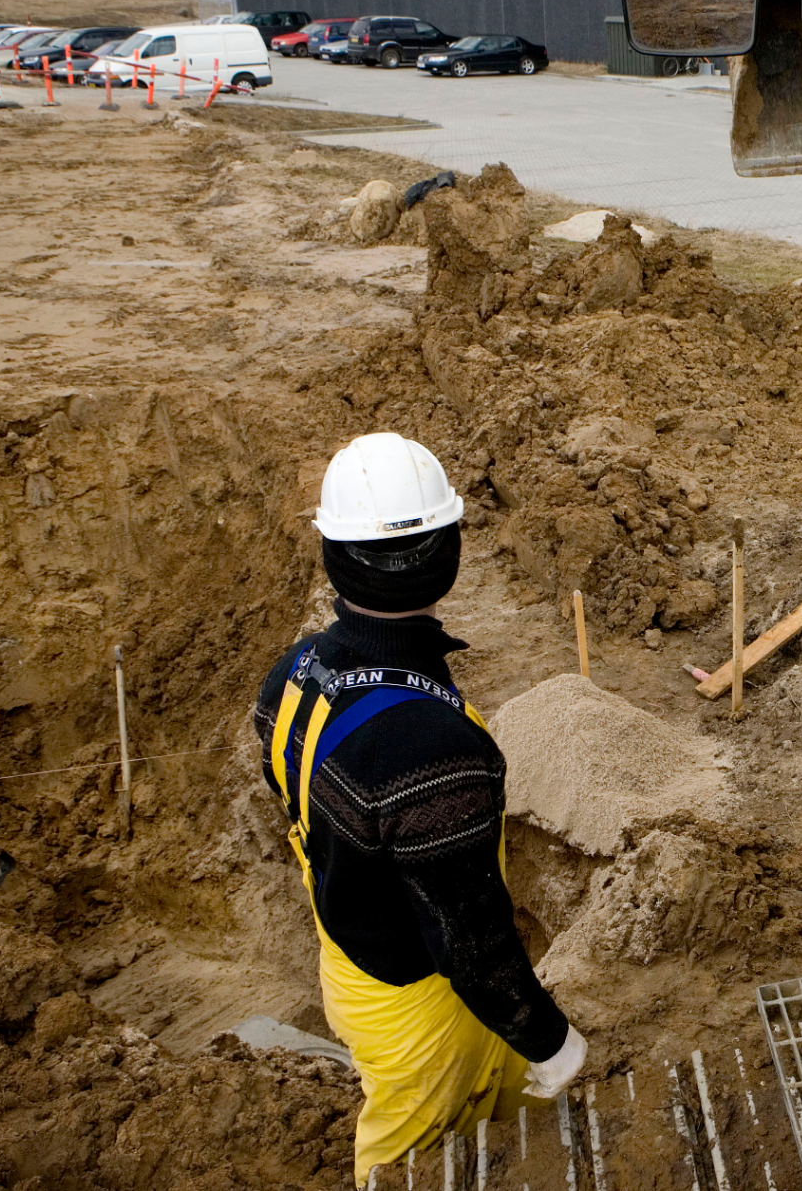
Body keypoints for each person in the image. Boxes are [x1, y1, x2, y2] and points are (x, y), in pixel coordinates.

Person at [254, 432, 587, 1182]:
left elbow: (302, 799)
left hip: (351, 960)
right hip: (423, 1012)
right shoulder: (432, 750)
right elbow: (467, 939)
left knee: (492, 1130)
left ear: (333, 555)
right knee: (400, 1163)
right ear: (450, 553)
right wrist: (548, 1037)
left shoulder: (292, 674)